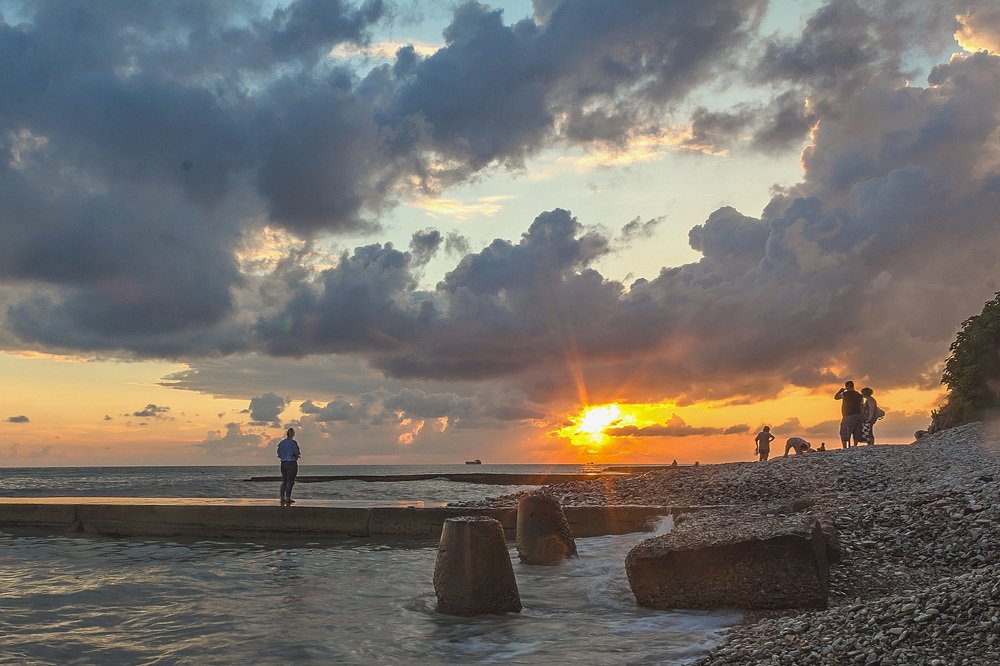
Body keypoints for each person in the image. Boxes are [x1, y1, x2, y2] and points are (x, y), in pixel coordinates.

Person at [834, 380, 864, 448]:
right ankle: (855, 445)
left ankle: (844, 447)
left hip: (848, 414)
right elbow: (862, 405)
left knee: (844, 431)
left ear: (847, 386)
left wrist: (840, 391)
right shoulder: (859, 395)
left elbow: (836, 397)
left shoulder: (845, 394)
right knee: (856, 431)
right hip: (859, 415)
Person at [277, 427, 301, 505]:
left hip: (283, 463)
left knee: (284, 481)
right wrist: (297, 455)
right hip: (291, 463)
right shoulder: (293, 443)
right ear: (293, 434)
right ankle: (288, 498)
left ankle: (282, 498)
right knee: (290, 482)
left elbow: (279, 453)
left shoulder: (281, 443)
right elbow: (296, 452)